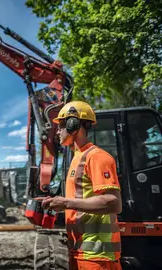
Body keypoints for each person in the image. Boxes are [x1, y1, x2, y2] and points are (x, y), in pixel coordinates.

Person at [38, 101, 123, 270]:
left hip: (97, 255)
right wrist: (56, 201)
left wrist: (67, 203)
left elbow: (114, 203)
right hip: (80, 251)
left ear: (73, 125)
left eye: (61, 126)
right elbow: (81, 199)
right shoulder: (77, 158)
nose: (58, 132)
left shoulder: (97, 157)